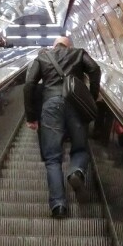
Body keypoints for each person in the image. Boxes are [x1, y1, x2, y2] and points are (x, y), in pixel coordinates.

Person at [24, 36, 101, 218]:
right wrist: (92, 96)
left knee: (52, 158)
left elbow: (29, 85)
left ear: (54, 45)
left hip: (50, 105)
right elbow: (95, 69)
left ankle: (58, 205)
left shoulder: (43, 57)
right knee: (80, 148)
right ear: (70, 46)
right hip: (75, 104)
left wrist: (31, 117)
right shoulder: (79, 53)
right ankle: (76, 171)